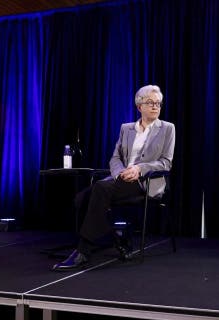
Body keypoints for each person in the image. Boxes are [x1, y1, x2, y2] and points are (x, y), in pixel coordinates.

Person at [52, 84, 175, 270]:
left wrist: (139, 169)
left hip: (145, 182)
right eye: (150, 102)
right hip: (120, 180)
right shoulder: (127, 128)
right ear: (139, 106)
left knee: (99, 189)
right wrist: (119, 173)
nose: (155, 106)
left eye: (158, 103)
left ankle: (83, 251)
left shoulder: (167, 128)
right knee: (80, 199)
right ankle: (117, 238)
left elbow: (166, 162)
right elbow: (115, 157)